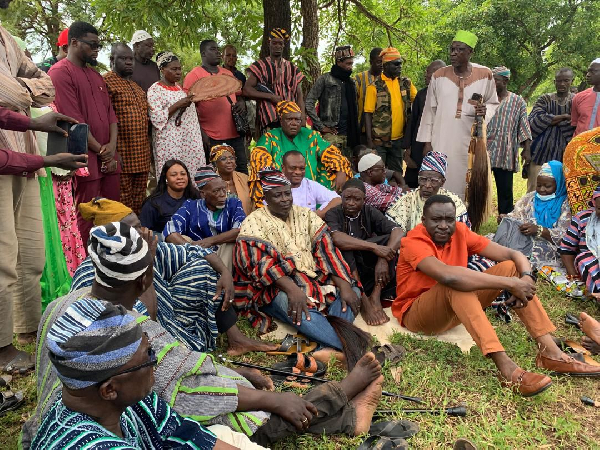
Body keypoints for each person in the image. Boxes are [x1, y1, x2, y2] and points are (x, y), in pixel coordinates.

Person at [22, 220, 387, 448]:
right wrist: (271, 401)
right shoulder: (128, 336)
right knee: (260, 416)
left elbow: (175, 409)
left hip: (94, 409)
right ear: (146, 279)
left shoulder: (62, 308)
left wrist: (231, 371)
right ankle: (343, 403)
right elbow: (191, 391)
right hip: (101, 413)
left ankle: (343, 413)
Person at [392, 194, 600, 397]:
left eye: (449, 219)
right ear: (423, 220)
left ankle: (550, 352)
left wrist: (525, 278)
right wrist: (510, 284)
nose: (444, 225)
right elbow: (448, 277)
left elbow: (513, 254)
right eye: (436, 220)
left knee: (510, 267)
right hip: (419, 315)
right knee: (457, 283)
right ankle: (507, 369)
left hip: (454, 310)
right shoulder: (413, 241)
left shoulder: (460, 232)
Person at [30, 298, 240, 450]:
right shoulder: (84, 444)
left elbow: (185, 434)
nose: (155, 361)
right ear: (109, 389)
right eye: (148, 356)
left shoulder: (129, 402)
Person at [75, 198, 275, 356]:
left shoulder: (144, 245)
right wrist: (147, 265)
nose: (142, 232)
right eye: (132, 229)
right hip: (137, 336)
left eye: (139, 225)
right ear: (111, 240)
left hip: (170, 315)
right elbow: (142, 322)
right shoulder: (93, 272)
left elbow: (193, 251)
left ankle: (237, 339)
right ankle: (178, 351)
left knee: (201, 267)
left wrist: (224, 273)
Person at [234, 167, 367, 360]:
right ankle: (356, 349)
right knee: (296, 305)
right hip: (276, 285)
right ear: (266, 197)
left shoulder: (305, 215)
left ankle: (325, 347)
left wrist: (344, 285)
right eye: (277, 195)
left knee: (352, 292)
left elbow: (327, 251)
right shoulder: (253, 223)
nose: (284, 199)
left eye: (287, 194)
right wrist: (292, 290)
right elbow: (259, 267)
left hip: (314, 277)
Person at [0, 10, 56, 373]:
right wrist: (23, 92)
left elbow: (46, 86)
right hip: (5, 160)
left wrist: (17, 91)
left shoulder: (7, 37)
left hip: (25, 153)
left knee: (32, 256)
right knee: (2, 258)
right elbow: (12, 93)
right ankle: (2, 348)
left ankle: (28, 332)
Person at [49, 21, 120, 245]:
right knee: (87, 215)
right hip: (85, 158)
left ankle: (114, 261)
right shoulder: (60, 73)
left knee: (113, 212)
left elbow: (111, 116)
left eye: (99, 46)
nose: (97, 50)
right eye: (92, 45)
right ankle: (88, 268)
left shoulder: (97, 76)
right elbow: (73, 121)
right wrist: (100, 150)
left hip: (108, 156)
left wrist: (111, 149)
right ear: (74, 43)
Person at [417, 30, 499, 199]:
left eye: (460, 49)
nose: (453, 53)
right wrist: (427, 143)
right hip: (441, 140)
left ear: (471, 52)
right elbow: (429, 111)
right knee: (441, 178)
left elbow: (492, 102)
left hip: (469, 142)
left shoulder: (485, 75)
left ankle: (464, 218)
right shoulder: (438, 76)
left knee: (466, 180)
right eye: (452, 49)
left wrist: (486, 111)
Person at [325, 179, 403, 326]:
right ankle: (365, 301)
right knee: (345, 247)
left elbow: (398, 231)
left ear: (364, 200)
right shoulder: (333, 213)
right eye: (347, 198)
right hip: (347, 271)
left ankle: (375, 295)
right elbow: (336, 238)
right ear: (341, 196)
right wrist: (374, 247)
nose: (351, 203)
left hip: (370, 269)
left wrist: (383, 258)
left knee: (389, 240)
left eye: (357, 199)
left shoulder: (369, 211)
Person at [249, 101, 353, 208]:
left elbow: (330, 152)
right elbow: (260, 160)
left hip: (311, 188)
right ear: (281, 121)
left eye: (297, 120)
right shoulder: (269, 137)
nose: (294, 123)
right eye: (289, 119)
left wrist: (340, 168)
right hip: (281, 190)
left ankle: (322, 209)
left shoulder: (311, 135)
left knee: (335, 170)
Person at [164, 167, 246, 271]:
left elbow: (240, 229)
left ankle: (223, 277)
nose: (222, 195)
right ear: (203, 194)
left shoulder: (234, 203)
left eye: (224, 189)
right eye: (216, 191)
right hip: (198, 256)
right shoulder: (191, 206)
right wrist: (193, 248)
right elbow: (170, 231)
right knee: (183, 238)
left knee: (229, 244)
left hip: (224, 256)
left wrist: (211, 241)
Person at [184, 39, 247, 172]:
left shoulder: (228, 73)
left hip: (235, 133)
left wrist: (241, 102)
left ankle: (241, 194)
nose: (218, 52)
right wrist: (201, 133)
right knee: (215, 174)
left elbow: (239, 94)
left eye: (218, 49)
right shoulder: (194, 75)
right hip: (211, 136)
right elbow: (189, 108)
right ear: (203, 54)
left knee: (241, 171)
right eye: (213, 49)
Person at [494, 161, 570, 267]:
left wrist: (539, 230)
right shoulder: (531, 198)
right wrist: (506, 218)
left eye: (547, 186)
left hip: (548, 244)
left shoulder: (565, 204)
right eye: (539, 185)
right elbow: (517, 215)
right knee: (491, 243)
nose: (542, 189)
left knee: (528, 253)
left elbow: (565, 237)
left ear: (559, 184)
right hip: (522, 239)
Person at [104, 43, 151, 215]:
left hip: (142, 156)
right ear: (112, 60)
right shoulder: (107, 82)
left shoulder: (137, 88)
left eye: (131, 59)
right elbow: (105, 120)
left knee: (139, 199)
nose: (129, 62)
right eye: (123, 58)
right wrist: (113, 152)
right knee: (122, 200)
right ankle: (124, 237)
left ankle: (138, 236)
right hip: (122, 154)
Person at [148, 51, 205, 179]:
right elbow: (156, 118)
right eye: (174, 69)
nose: (178, 72)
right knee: (173, 174)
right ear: (162, 69)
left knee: (190, 174)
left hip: (188, 142)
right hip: (169, 143)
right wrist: (178, 104)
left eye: (179, 69)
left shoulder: (180, 89)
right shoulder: (155, 90)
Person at [487, 66, 532, 216]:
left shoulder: (517, 101)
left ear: (505, 81)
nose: (492, 83)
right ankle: (473, 221)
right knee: (479, 188)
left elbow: (524, 126)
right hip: (484, 151)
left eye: (496, 80)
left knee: (505, 191)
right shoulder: (485, 99)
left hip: (504, 152)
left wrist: (526, 150)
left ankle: (505, 221)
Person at [364, 47, 417, 173]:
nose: (400, 67)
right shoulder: (374, 87)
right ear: (386, 65)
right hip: (379, 142)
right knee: (377, 173)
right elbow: (367, 114)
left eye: (400, 64)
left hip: (399, 140)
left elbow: (420, 99)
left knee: (397, 173)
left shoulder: (406, 84)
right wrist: (370, 141)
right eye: (396, 64)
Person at [386, 151, 468, 232]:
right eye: (423, 179)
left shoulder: (454, 202)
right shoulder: (406, 200)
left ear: (442, 182)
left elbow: (462, 233)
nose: (427, 185)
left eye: (433, 181)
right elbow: (393, 231)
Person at [243, 28, 305, 133]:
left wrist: (302, 120)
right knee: (271, 148)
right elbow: (246, 90)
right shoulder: (260, 66)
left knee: (290, 149)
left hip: (291, 120)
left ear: (283, 45)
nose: (277, 46)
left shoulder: (293, 68)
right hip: (270, 120)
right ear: (269, 43)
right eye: (274, 43)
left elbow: (299, 95)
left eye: (280, 43)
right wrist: (270, 96)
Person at [305, 45, 360, 159]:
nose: (350, 67)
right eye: (348, 64)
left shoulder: (351, 82)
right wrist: (321, 126)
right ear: (339, 62)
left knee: (347, 171)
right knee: (329, 168)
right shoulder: (325, 79)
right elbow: (309, 102)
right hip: (330, 135)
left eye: (351, 64)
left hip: (348, 135)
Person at [527, 68, 576, 192]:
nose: (562, 84)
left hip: (566, 153)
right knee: (535, 188)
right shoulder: (545, 99)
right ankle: (532, 211)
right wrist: (564, 117)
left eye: (566, 81)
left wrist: (550, 120)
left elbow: (577, 123)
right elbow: (534, 121)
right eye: (559, 81)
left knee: (562, 189)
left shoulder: (576, 100)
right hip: (540, 152)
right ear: (554, 82)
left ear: (572, 81)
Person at [404, 59, 446, 188]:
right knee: (414, 179)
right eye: (427, 72)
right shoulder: (422, 95)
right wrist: (408, 149)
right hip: (418, 146)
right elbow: (413, 121)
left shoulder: (449, 96)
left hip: (440, 145)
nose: (426, 75)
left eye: (430, 72)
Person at [560, 185, 600, 297]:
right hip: (592, 263)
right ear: (594, 203)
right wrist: (573, 276)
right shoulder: (582, 218)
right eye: (599, 208)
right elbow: (566, 249)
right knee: (584, 259)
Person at [140, 160, 200, 234]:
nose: (179, 177)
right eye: (174, 175)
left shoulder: (195, 197)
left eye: (183, 174)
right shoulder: (153, 204)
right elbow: (143, 231)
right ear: (166, 179)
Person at [282, 150, 341, 218]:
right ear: (283, 168)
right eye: (293, 168)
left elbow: (337, 200)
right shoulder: (274, 187)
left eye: (302, 168)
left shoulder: (310, 185)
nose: (298, 172)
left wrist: (314, 217)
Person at [211, 144, 253, 215]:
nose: (229, 161)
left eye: (231, 158)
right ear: (216, 163)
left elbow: (256, 201)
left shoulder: (245, 179)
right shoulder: (211, 183)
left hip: (247, 223)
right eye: (223, 159)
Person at [355, 47, 382, 132]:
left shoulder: (386, 79)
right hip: (362, 128)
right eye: (378, 62)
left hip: (382, 130)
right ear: (371, 62)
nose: (381, 65)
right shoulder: (359, 78)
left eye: (383, 62)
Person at [571, 58, 600, 136]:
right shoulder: (579, 97)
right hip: (579, 146)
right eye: (588, 71)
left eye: (592, 71)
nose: (588, 75)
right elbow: (574, 124)